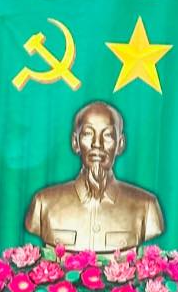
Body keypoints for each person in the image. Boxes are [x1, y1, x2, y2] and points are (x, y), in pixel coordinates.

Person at [23, 99, 165, 252]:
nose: (97, 144)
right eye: (88, 133)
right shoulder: (44, 203)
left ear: (120, 144)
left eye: (108, 135)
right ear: (75, 142)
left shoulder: (146, 206)